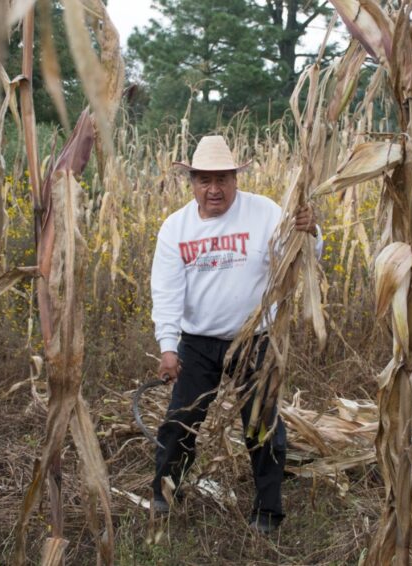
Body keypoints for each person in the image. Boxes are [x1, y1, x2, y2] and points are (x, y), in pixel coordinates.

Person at [149, 135, 322, 533]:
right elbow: (167, 292)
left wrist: (311, 232)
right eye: (205, 180)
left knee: (262, 426)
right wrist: (168, 347)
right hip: (198, 343)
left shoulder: (264, 213)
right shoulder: (176, 228)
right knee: (179, 422)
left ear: (235, 179)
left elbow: (305, 256)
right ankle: (164, 495)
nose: (214, 189)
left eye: (223, 179)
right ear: (191, 182)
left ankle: (267, 512)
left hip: (254, 339)